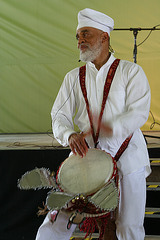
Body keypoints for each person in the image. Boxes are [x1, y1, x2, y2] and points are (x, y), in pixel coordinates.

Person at [36, 8, 151, 240]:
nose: (80, 41)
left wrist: (112, 126)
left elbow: (139, 112)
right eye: (78, 36)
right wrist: (69, 134)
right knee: (54, 221)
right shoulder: (73, 78)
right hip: (86, 157)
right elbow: (58, 116)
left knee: (128, 227)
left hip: (128, 157)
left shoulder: (131, 72)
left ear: (104, 37)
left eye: (86, 34)